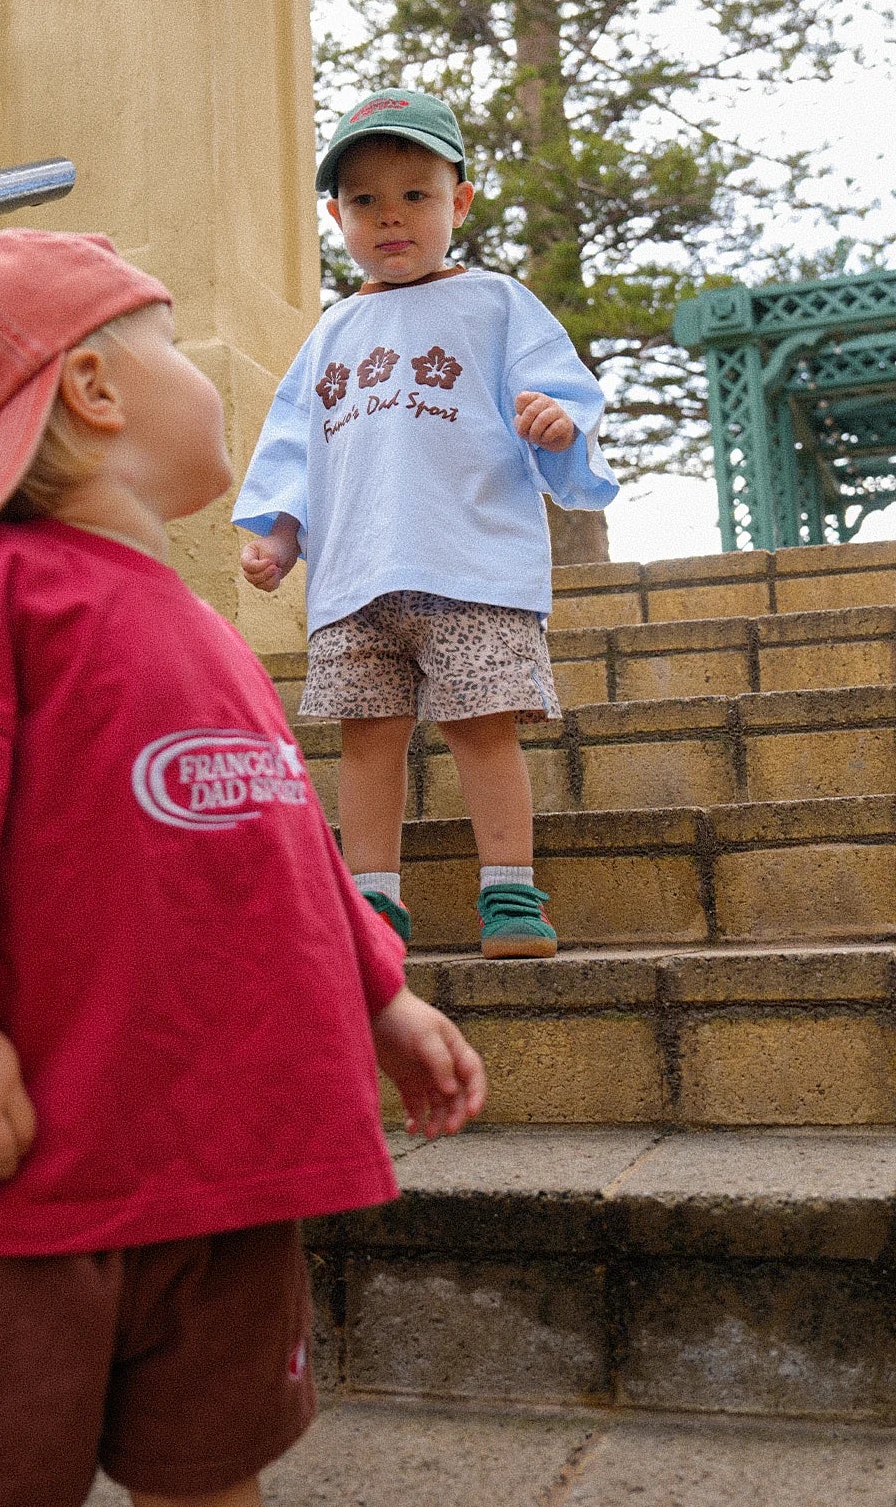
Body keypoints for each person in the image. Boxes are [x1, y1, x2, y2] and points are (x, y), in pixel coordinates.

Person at [0, 228, 486, 1507]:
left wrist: (378, 994)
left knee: (212, 1463)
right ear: (96, 392)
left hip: (219, 1166)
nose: (214, 380)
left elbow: (284, 849)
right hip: (11, 1180)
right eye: (172, 345)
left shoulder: (200, 629)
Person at [235, 90, 618, 958]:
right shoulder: (333, 330)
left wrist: (556, 422)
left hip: (468, 563)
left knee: (481, 726)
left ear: (460, 201)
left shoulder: (496, 304)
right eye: (365, 200)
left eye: (416, 194)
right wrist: (280, 536)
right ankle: (373, 907)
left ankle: (511, 894)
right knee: (366, 739)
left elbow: (557, 388)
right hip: (353, 578)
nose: (391, 216)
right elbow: (296, 446)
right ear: (336, 216)